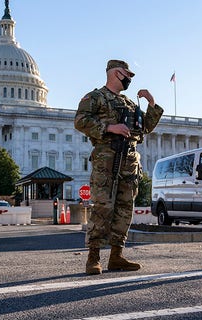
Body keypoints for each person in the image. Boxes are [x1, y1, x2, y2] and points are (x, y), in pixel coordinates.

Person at [75, 60, 163, 275]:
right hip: (106, 159)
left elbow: (145, 128)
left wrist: (152, 104)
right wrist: (109, 127)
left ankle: (117, 256)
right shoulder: (95, 97)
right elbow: (80, 121)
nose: (130, 79)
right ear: (116, 73)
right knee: (103, 207)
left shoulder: (130, 104)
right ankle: (93, 257)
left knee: (125, 208)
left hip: (130, 161)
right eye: (127, 74)